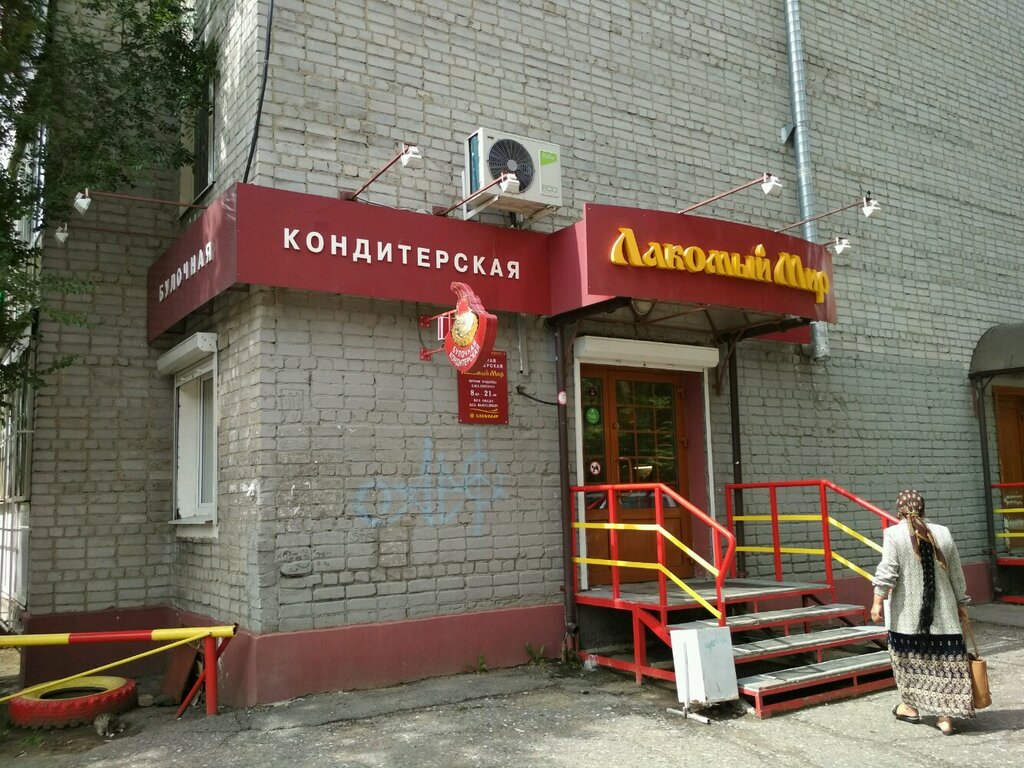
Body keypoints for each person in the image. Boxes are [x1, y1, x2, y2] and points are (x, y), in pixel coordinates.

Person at [870, 489, 974, 735]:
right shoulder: (943, 533)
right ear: (924, 509)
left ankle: (910, 707)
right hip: (945, 616)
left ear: (899, 511)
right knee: (945, 665)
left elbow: (888, 570)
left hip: (907, 618)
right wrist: (962, 603)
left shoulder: (893, 534)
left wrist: (877, 601)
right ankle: (945, 718)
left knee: (909, 663)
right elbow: (956, 572)